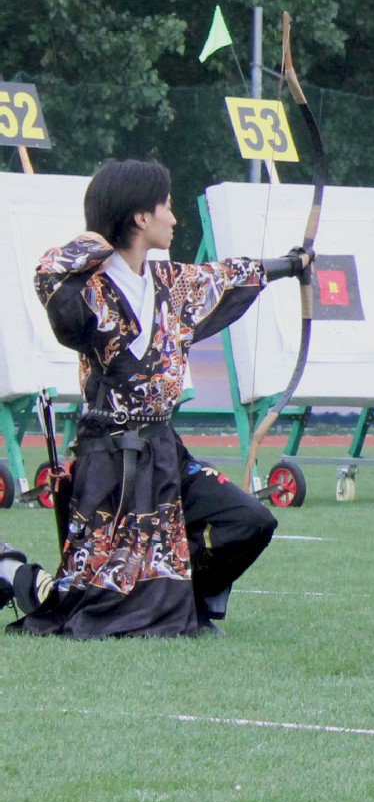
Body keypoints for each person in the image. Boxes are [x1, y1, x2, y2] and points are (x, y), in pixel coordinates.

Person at [14, 159, 309, 637]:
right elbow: (49, 274)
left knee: (250, 520)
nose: (174, 218)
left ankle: (181, 599)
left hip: (165, 453)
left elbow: (229, 275)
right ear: (139, 218)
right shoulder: (88, 290)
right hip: (110, 465)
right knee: (94, 593)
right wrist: (98, 238)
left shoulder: (173, 284)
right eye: (166, 207)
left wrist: (290, 265)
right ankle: (24, 579)